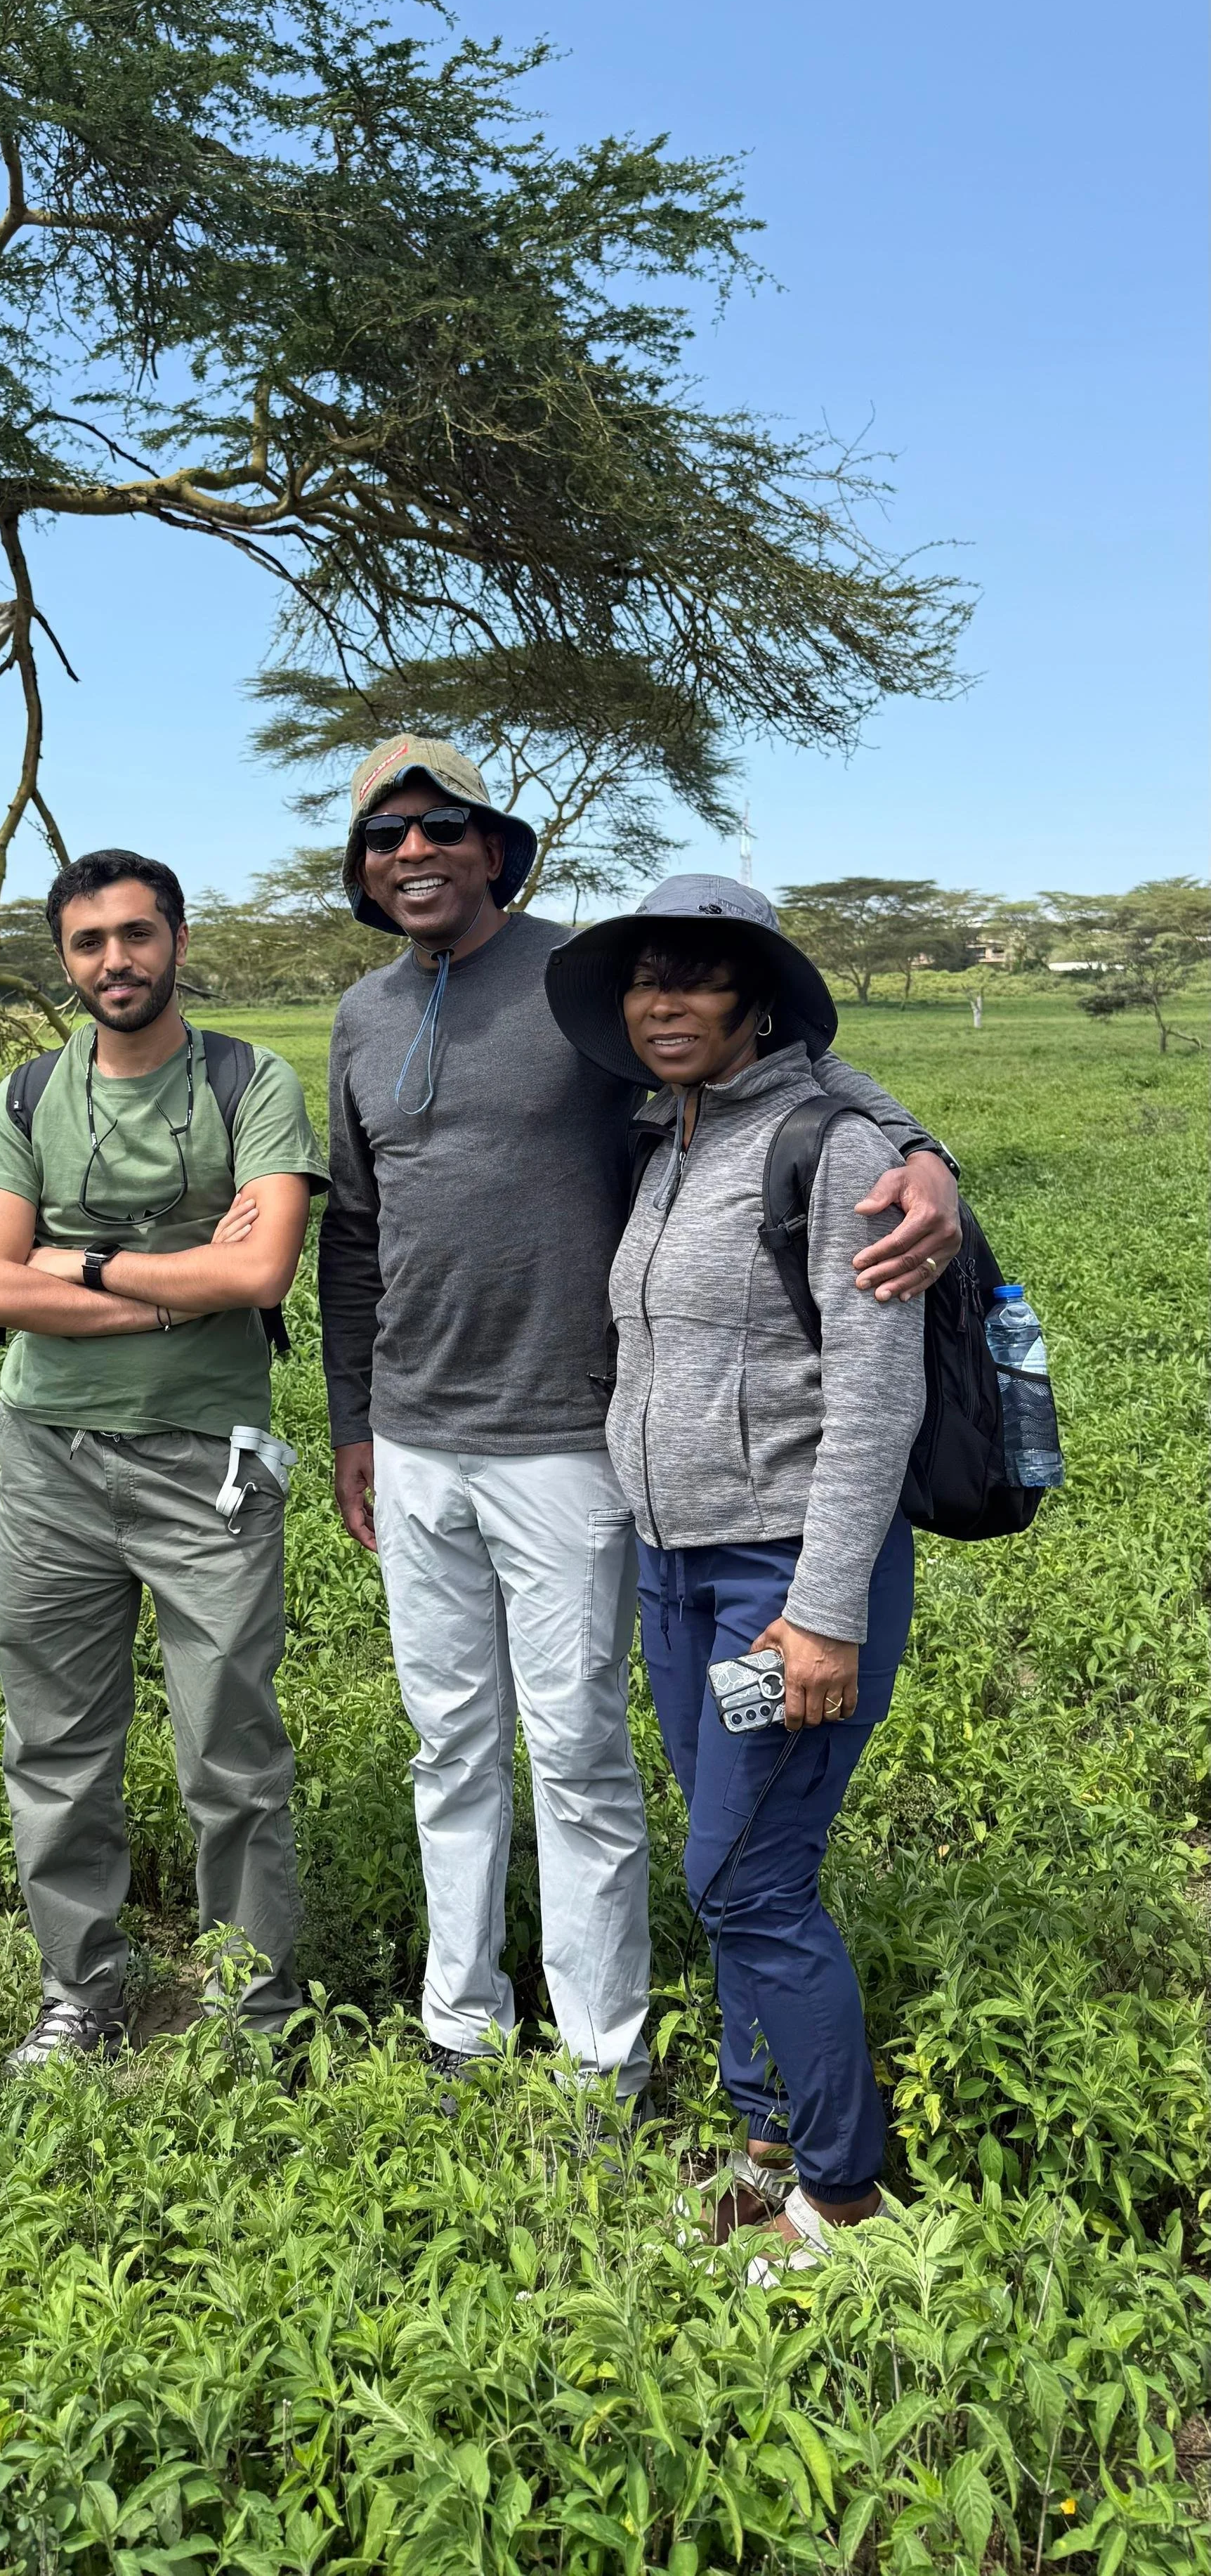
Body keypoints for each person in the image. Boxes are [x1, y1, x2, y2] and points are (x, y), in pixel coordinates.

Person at [310, 736, 959, 2109]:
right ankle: (460, 2013)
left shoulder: (586, 986)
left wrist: (922, 1154)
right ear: (365, 872)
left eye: (442, 828)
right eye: (386, 838)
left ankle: (602, 2052)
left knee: (580, 1751)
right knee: (449, 1740)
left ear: (495, 847)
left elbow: (788, 1075)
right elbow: (354, 1231)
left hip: (568, 1439)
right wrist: (351, 1417)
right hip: (416, 1437)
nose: (414, 853)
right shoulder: (362, 1018)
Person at [544, 878, 929, 2260]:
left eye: (700, 977)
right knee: (734, 1871)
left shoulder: (831, 1149)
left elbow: (877, 1398)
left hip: (786, 1578)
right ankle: (767, 2141)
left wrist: (823, 1614)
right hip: (678, 1568)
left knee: (750, 1879)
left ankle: (845, 2193)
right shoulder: (671, 1142)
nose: (665, 1000)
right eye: (649, 977)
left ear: (758, 1001)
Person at [0, 847, 327, 2069]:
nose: (115, 961)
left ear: (177, 940)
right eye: (88, 943)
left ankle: (250, 2011)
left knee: (230, 1744)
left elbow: (260, 1272)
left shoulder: (252, 1081)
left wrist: (88, 1266)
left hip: (205, 1463)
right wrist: (179, 1293)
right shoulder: (23, 1099)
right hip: (49, 1461)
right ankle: (83, 1990)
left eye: (136, 935)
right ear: (65, 961)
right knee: (56, 1742)